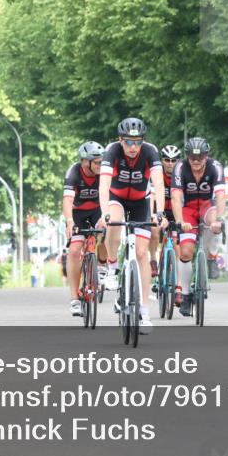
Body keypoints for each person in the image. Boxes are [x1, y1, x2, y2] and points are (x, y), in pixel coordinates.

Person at [97, 118, 166, 334]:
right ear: (120, 140)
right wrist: (104, 212)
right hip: (116, 197)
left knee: (142, 253)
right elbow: (104, 184)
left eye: (138, 142)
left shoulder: (150, 151)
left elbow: (159, 183)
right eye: (128, 142)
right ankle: (112, 266)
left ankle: (144, 311)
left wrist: (160, 213)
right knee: (114, 225)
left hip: (140, 201)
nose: (133, 147)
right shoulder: (111, 151)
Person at [171, 137, 226, 317]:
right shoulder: (180, 167)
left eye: (200, 157)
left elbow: (220, 195)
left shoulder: (215, 167)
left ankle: (212, 256)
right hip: (187, 209)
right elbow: (177, 197)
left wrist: (220, 218)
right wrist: (180, 221)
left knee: (214, 223)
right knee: (186, 252)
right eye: (192, 157)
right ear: (187, 156)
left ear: (207, 155)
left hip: (206, 206)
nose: (196, 161)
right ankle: (186, 294)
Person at [62, 141, 107, 316]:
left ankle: (102, 265)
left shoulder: (104, 173)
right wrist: (69, 221)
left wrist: (106, 216)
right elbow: (67, 201)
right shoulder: (74, 173)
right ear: (85, 162)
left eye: (102, 162)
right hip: (78, 213)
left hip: (97, 211)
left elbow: (111, 197)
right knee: (74, 251)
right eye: (96, 162)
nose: (100, 165)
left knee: (107, 231)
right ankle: (74, 299)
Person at [150, 145, 182, 297]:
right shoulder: (156, 174)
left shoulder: (181, 174)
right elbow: (152, 195)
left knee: (176, 244)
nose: (170, 163)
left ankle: (178, 283)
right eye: (167, 160)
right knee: (154, 230)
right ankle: (153, 260)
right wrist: (153, 214)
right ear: (162, 161)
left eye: (173, 160)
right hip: (159, 211)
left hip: (175, 212)